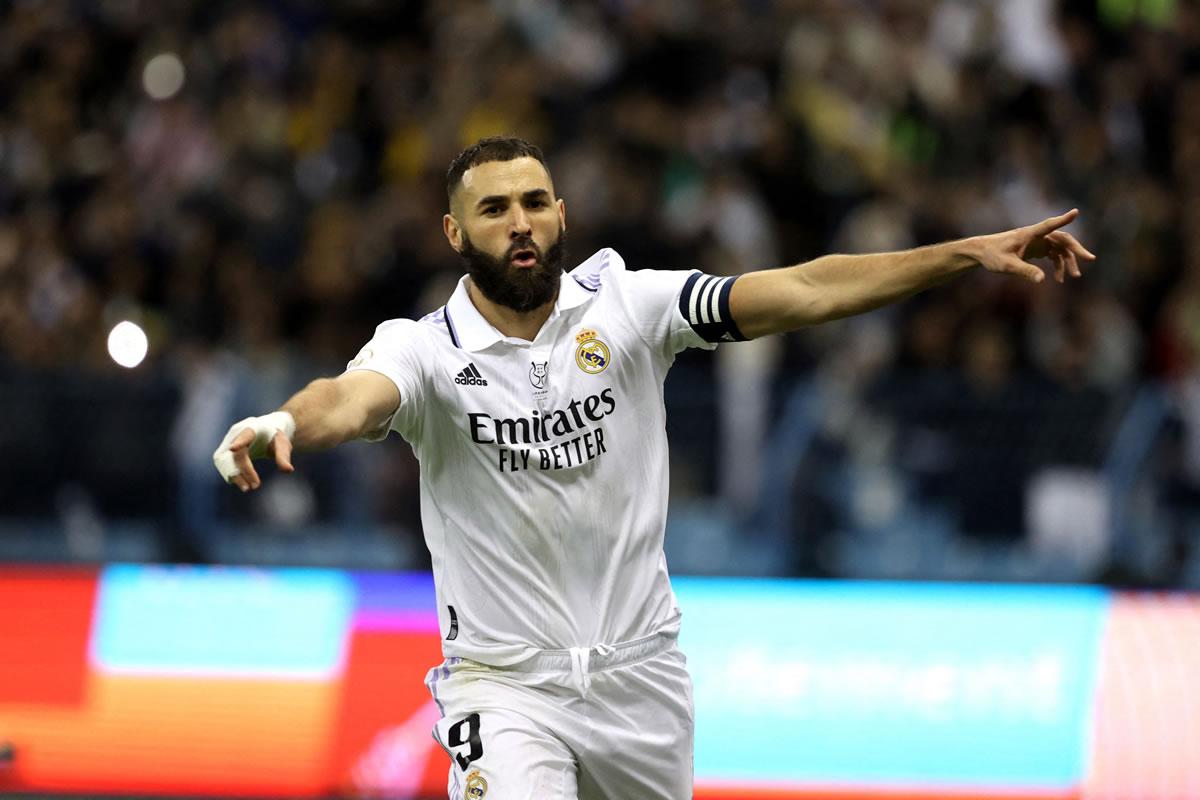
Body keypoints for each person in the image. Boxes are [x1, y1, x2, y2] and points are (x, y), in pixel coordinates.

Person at [212, 136, 1094, 799]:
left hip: (644, 680)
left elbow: (805, 290)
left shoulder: (630, 306)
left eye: (535, 201)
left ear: (562, 214)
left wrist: (961, 254)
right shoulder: (426, 350)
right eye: (494, 209)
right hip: (506, 684)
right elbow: (350, 396)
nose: (519, 221)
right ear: (454, 231)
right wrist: (286, 419)